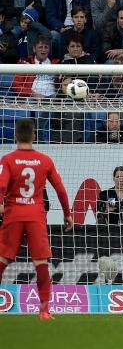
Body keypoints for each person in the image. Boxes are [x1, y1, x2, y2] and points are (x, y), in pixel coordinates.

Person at [0, 118, 74, 320]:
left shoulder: (7, 160)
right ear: (34, 136)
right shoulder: (45, 160)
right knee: (40, 262)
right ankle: (44, 310)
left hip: (13, 213)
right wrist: (67, 213)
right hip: (35, 215)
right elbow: (60, 189)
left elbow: (1, 185)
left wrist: (0, 203)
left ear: (15, 136)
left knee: (2, 258)